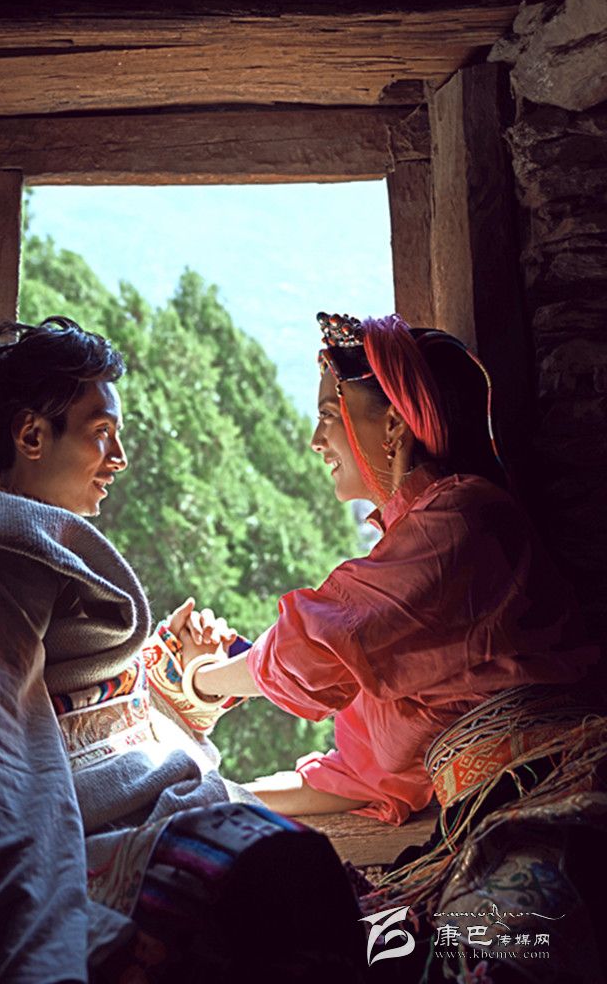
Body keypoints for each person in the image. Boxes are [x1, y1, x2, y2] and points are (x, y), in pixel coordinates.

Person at [0, 317, 358, 984]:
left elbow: (95, 713)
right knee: (284, 873)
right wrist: (37, 960)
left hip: (173, 803)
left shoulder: (49, 551)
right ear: (31, 436)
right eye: (102, 432)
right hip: (109, 839)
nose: (120, 458)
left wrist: (183, 687)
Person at [171, 311, 607, 981]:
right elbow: (363, 778)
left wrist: (200, 680)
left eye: (329, 415)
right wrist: (216, 797)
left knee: (488, 958)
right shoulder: (416, 581)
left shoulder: (461, 520)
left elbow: (315, 643)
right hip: (491, 822)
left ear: (395, 426)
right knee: (336, 952)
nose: (316, 439)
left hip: (556, 804)